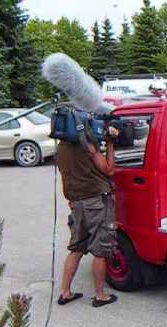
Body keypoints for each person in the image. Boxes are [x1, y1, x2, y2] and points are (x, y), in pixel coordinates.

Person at [56, 124, 120, 308]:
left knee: (76, 248)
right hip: (96, 202)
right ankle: (100, 295)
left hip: (76, 203)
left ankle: (65, 292)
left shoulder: (61, 147)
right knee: (100, 250)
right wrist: (110, 144)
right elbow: (109, 170)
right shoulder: (87, 145)